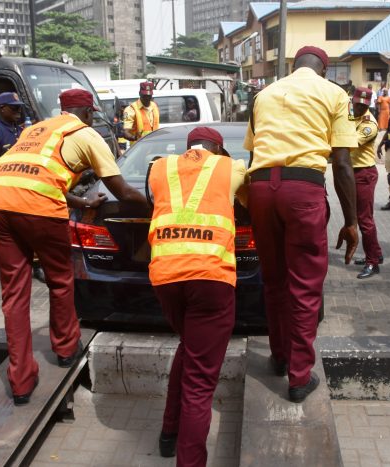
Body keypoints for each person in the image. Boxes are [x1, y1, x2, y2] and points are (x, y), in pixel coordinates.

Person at [0, 89, 147, 405]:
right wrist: (156, 206)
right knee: (60, 279)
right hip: (37, 208)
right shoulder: (86, 134)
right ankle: (66, 349)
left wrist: (83, 201)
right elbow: (122, 190)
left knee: (14, 292)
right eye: (92, 114)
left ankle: (20, 382)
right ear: (87, 112)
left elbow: (39, 175)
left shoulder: (36, 129)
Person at [244, 45, 358, 403]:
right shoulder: (333, 94)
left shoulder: (264, 95)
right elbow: (341, 163)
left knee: (274, 280)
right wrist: (352, 221)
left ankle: (279, 357)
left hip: (261, 187)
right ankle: (299, 377)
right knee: (305, 287)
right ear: (323, 70)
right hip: (302, 189)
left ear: (294, 67)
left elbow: (251, 152)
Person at [149, 127, 246, 465]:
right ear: (219, 149)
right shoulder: (230, 167)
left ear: (187, 147)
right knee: (200, 383)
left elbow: (156, 202)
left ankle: (168, 432)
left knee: (188, 347)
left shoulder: (159, 167)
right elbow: (246, 201)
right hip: (210, 277)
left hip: (165, 275)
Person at [0, 92, 48, 283]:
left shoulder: (22, 130)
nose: (18, 111)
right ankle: (16, 268)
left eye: (19, 107)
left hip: (25, 188)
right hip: (6, 190)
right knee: (11, 234)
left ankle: (36, 265)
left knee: (32, 229)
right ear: (2, 109)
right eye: (14, 108)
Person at [350, 87, 383, 278]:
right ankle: (376, 254)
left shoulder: (369, 124)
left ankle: (373, 263)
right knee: (362, 217)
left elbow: (348, 143)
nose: (359, 108)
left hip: (364, 174)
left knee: (365, 220)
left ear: (368, 105)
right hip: (353, 173)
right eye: (357, 104)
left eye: (363, 105)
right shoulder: (351, 116)